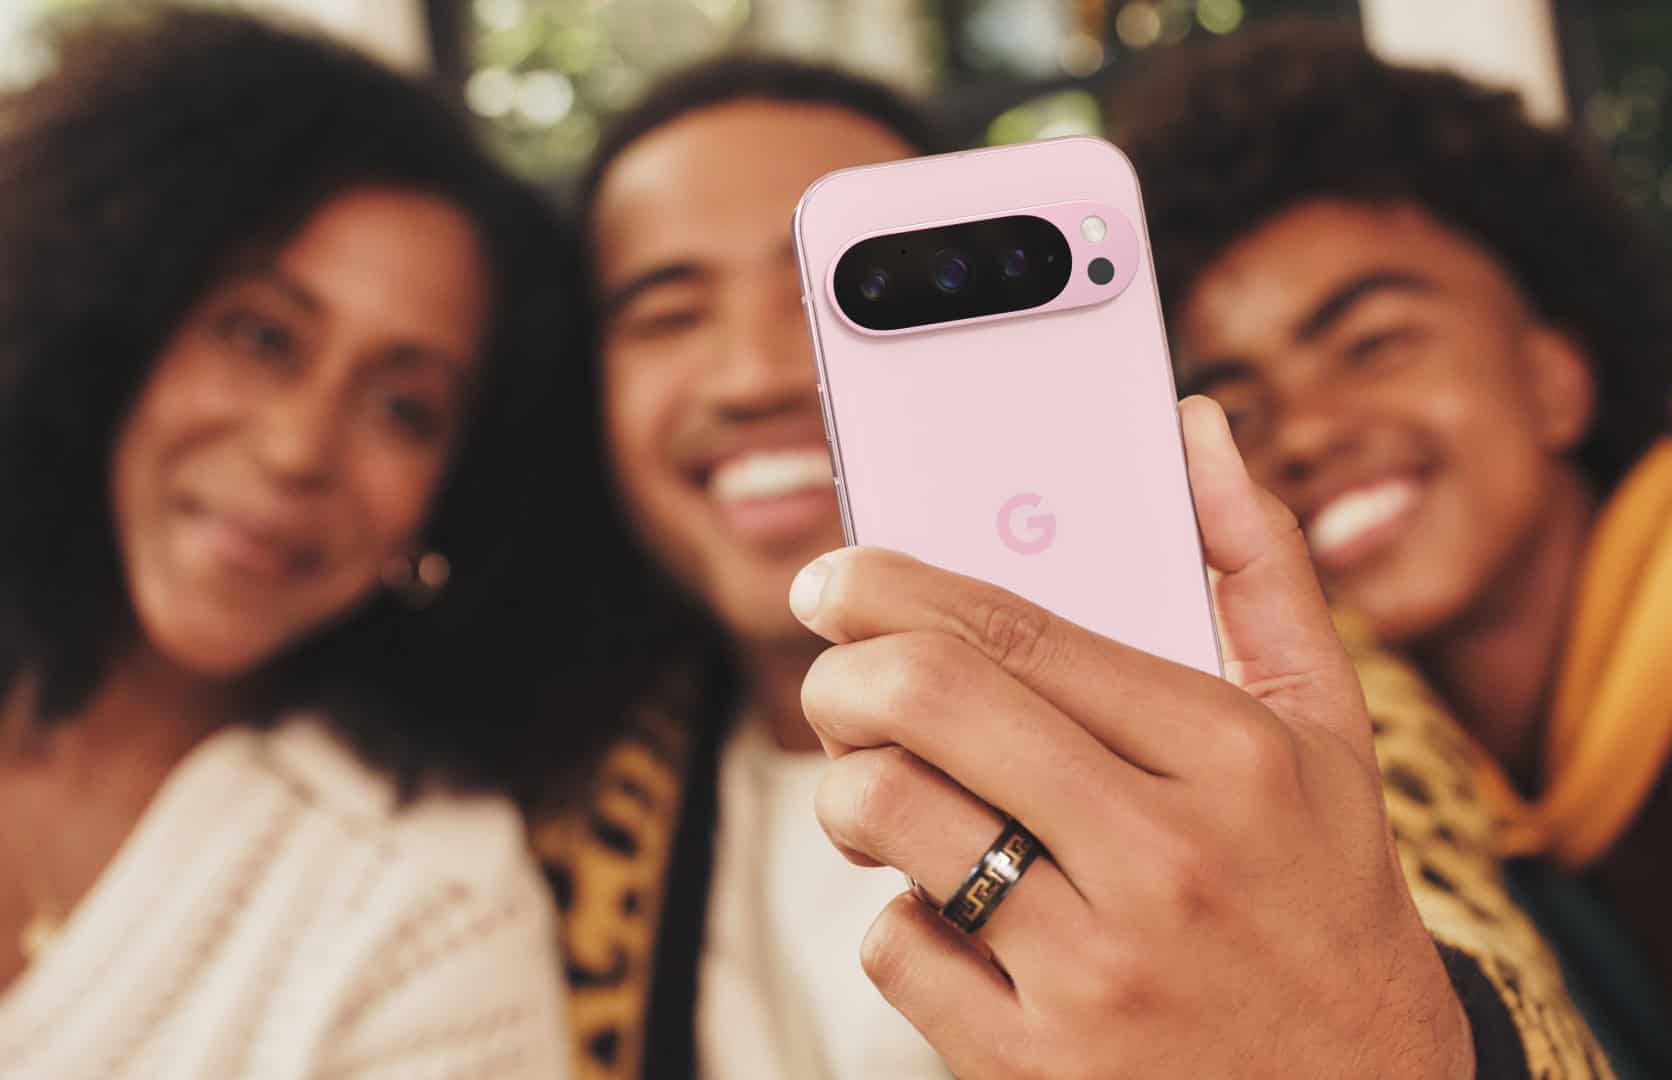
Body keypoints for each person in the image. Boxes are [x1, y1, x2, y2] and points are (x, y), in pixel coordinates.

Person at [535, 56, 1613, 1079]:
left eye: (825, 293)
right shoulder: (565, 817)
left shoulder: (1257, 710)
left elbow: (1514, 1008)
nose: (754, 373)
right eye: (666, 315)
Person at [1113, 22, 1672, 1080]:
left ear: (1556, 377)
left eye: (1372, 345)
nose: (1302, 435)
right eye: (1240, 412)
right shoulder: (1435, 792)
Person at [0, 11, 613, 1075]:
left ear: (461, 495)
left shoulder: (432, 908)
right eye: (262, 336)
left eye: (405, 408)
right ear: (117, 326)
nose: (298, 449)